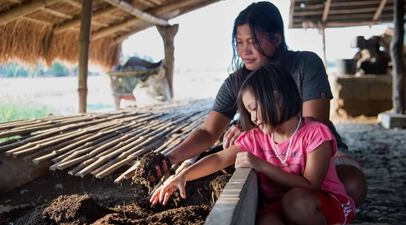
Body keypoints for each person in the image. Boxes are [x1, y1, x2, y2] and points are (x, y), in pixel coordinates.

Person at [150, 1, 367, 206]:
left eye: (252, 41)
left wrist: (246, 126)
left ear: (276, 38)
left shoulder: (305, 64)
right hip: (269, 148)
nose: (244, 50)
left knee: (352, 186)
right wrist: (170, 159)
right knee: (289, 201)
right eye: (239, 42)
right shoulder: (237, 82)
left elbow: (313, 122)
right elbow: (208, 132)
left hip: (314, 149)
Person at [150, 64, 356, 225]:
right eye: (249, 112)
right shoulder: (257, 138)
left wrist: (261, 165)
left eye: (254, 108)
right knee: (266, 221)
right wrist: (183, 176)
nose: (254, 118)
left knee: (296, 203)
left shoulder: (315, 134)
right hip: (282, 206)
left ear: (277, 98)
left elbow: (312, 185)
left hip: (322, 203)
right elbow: (219, 158)